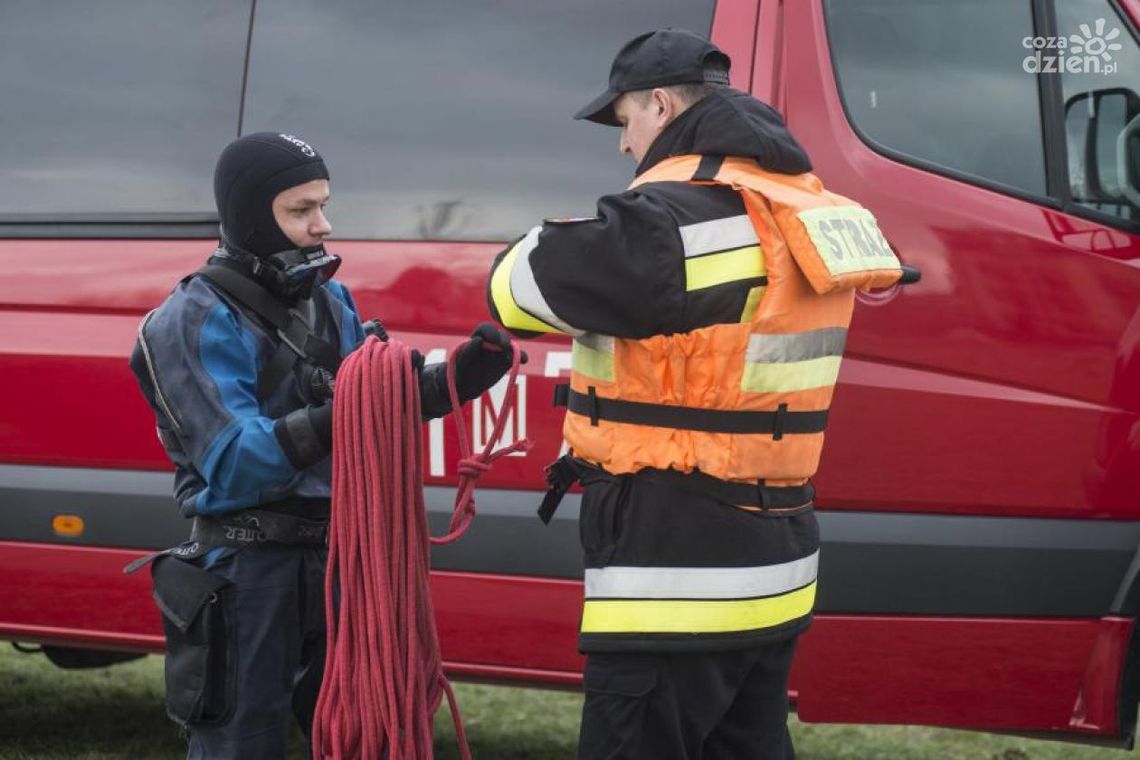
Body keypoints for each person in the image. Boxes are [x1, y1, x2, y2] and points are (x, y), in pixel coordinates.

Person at [487, 29, 904, 760]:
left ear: (658, 103)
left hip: (672, 574)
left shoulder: (668, 225)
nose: (624, 148)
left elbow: (514, 288)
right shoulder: (813, 214)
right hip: (775, 568)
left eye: (625, 124)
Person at [129, 131, 517, 759]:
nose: (322, 225)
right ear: (253, 215)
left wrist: (454, 380)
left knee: (358, 739)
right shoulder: (191, 318)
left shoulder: (329, 299)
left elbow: (372, 391)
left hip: (338, 565)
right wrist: (350, 410)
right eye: (301, 210)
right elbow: (234, 460)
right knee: (241, 747)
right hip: (246, 574)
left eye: (323, 205)